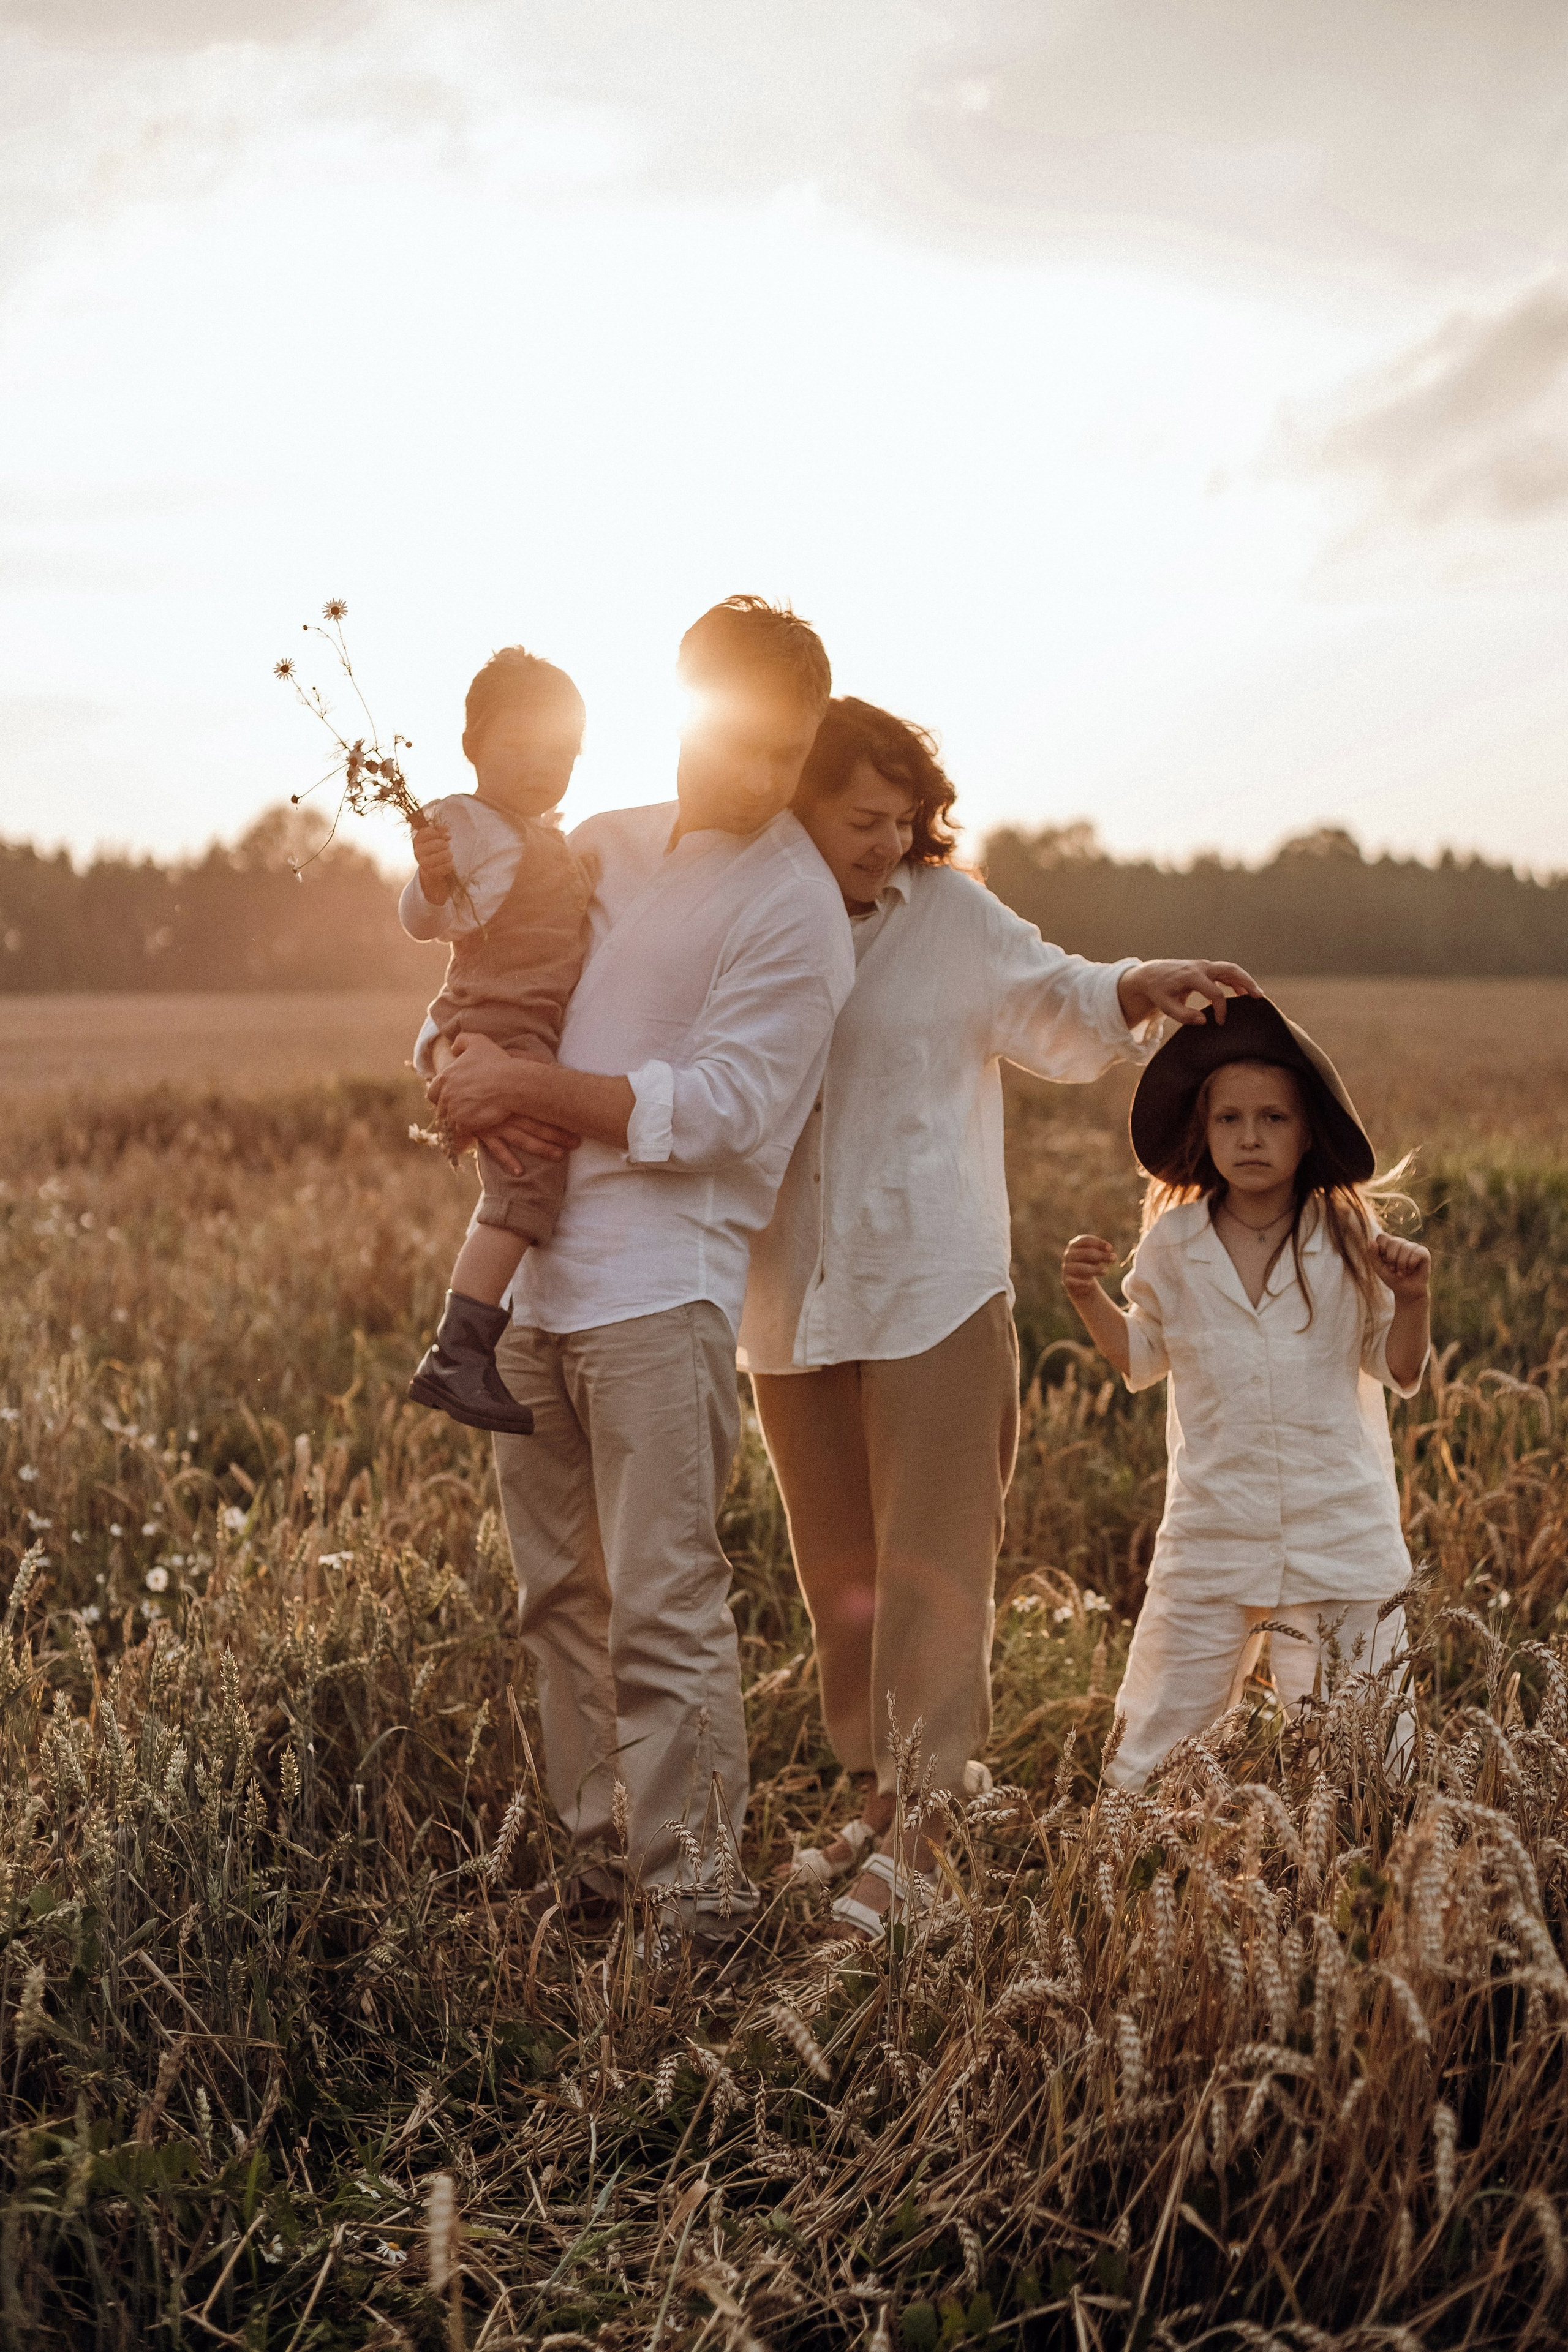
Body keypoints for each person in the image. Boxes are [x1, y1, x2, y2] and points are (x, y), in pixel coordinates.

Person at [738, 697, 1261, 1939]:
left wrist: (1139, 980)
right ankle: (880, 1797)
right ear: (795, 804)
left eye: (903, 818)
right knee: (841, 1577)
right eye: (859, 818)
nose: (884, 839)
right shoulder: (747, 917)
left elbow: (1054, 994)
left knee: (932, 1567)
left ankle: (922, 1837)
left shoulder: (950, 918)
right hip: (787, 1298)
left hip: (929, 1287)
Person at [428, 597, 854, 1949]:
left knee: (664, 1602)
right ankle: (598, 1877)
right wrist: (449, 1068)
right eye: (737, 740)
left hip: (662, 1298)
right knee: (558, 1599)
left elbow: (725, 1107)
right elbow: (485, 971)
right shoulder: (597, 845)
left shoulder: (794, 907)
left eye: (784, 755)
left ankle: (699, 1905)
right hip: (533, 1295)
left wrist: (526, 1083)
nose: (757, 776)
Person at [1061, 993, 1431, 1791]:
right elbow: (1141, 1356)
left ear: (1309, 1134)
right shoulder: (1174, 1246)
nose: (1250, 1136)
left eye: (1273, 1118)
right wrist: (1091, 1299)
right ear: (1204, 1131)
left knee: (1367, 1765)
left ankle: (1357, 1896)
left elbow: (1396, 1369)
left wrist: (1416, 1301)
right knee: (1153, 1753)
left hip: (1340, 1535)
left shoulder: (1346, 1241)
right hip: (1213, 1533)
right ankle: (1137, 1879)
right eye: (1229, 1119)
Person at [398, 647, 590, 1436]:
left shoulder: (539, 831)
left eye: (566, 753)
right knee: (525, 1184)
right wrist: (434, 879)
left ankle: (467, 1350)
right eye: (524, 749)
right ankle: (458, 1353)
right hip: (500, 1020)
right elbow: (422, 921)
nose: (546, 768)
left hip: (521, 1023)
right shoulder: (466, 822)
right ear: (474, 744)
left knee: (530, 1178)